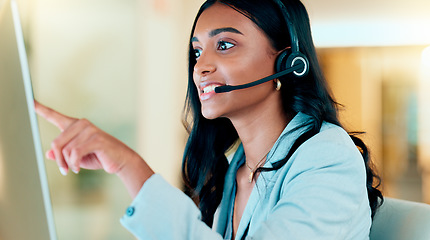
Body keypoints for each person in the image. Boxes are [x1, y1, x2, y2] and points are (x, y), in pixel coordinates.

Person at [35, 0, 383, 239]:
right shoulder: (238, 169)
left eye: (226, 45)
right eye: (198, 50)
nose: (201, 66)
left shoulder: (326, 155)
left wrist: (130, 166)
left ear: (286, 62)